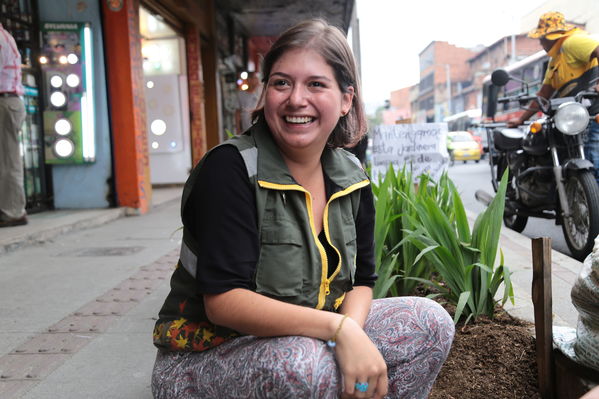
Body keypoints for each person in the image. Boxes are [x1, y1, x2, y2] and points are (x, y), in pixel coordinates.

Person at [151, 18, 454, 399]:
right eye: (282, 82)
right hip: (205, 356)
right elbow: (224, 302)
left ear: (346, 100)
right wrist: (339, 332)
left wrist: (352, 335)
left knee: (430, 323)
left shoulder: (352, 175)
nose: (296, 98)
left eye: (316, 84)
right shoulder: (230, 169)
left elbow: (362, 281)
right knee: (304, 364)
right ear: (266, 94)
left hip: (307, 338)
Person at [507, 11, 599, 185]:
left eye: (542, 38)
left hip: (593, 115)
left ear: (551, 36)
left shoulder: (573, 42)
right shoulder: (555, 62)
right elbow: (543, 95)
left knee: (593, 162)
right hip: (575, 119)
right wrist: (520, 120)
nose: (540, 42)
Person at [0, 23, 27, 227]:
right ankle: (11, 209)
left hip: (5, 102)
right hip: (9, 102)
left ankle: (13, 212)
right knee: (7, 158)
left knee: (8, 160)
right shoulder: (5, 35)